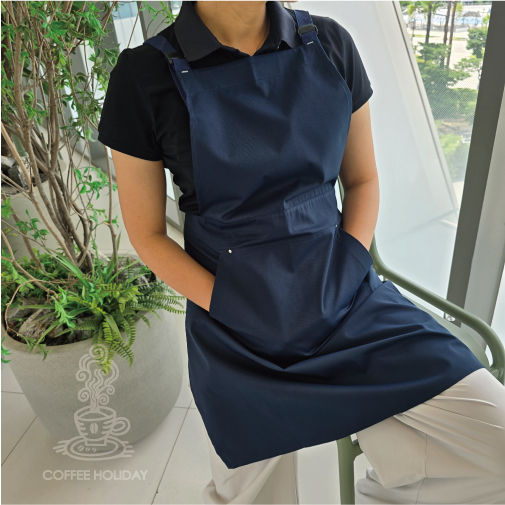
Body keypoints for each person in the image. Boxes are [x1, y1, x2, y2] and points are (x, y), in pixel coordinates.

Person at [97, 1, 505, 503]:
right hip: (238, 325)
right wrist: (230, 305)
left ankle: (390, 484)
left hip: (348, 302)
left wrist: (350, 266)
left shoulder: (330, 43)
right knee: (249, 494)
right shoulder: (144, 74)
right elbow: (148, 236)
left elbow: (362, 180)